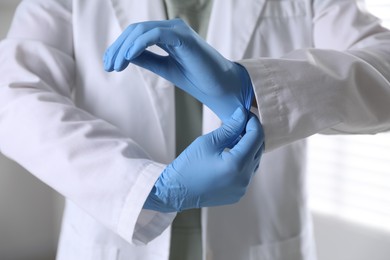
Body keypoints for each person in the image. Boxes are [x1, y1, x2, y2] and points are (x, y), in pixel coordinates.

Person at [1, 0, 390, 260]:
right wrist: (150, 189)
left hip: (261, 243)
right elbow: (10, 91)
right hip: (113, 239)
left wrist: (252, 86)